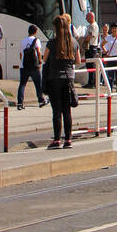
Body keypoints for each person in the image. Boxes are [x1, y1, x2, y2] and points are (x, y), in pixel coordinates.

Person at [43, 13, 81, 148]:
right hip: (69, 79)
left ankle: (57, 140)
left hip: (54, 79)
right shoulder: (74, 42)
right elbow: (78, 60)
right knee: (67, 111)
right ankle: (68, 140)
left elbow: (44, 59)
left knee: (56, 111)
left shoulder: (52, 42)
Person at [17, 25, 47, 109]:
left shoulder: (23, 41)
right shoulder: (36, 40)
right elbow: (38, 52)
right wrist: (40, 61)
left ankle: (20, 103)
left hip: (24, 66)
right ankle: (41, 101)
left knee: (22, 84)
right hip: (34, 66)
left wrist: (23, 62)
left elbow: (20, 54)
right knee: (38, 85)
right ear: (36, 32)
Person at [81, 11, 102, 89]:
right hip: (90, 48)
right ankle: (90, 82)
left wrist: (83, 40)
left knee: (91, 65)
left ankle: (92, 83)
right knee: (89, 65)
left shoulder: (93, 26)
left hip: (91, 47)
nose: (86, 18)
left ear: (91, 17)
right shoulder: (90, 26)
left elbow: (89, 37)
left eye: (87, 17)